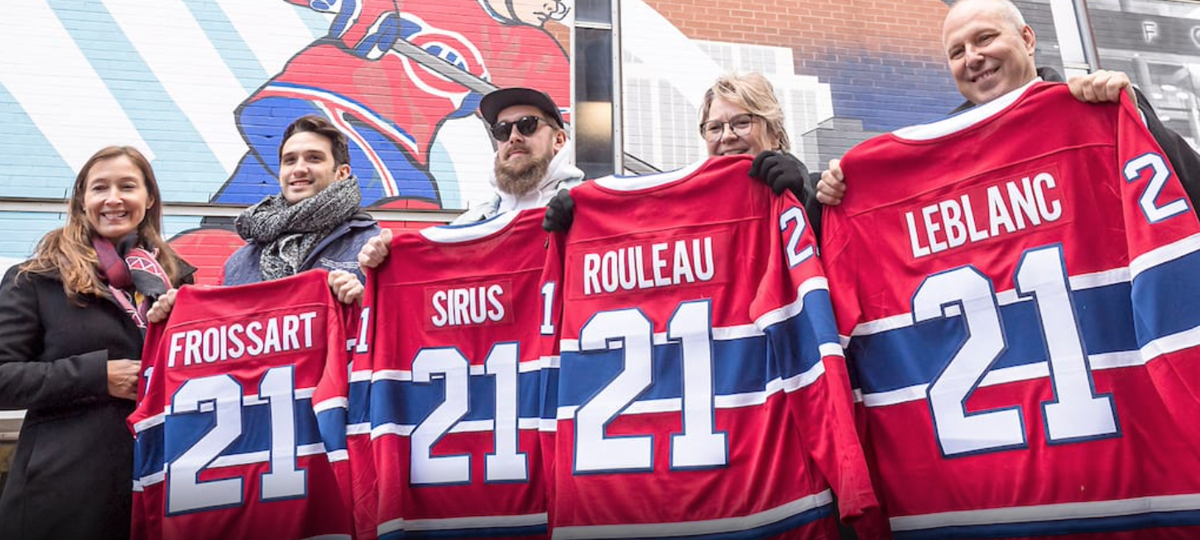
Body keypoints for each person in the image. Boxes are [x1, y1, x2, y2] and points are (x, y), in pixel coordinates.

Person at [815, 0, 1200, 216]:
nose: (973, 58)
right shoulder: (936, 154)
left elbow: (1188, 198)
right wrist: (841, 190)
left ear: (1027, 39)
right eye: (956, 52)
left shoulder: (1095, 107)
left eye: (984, 39)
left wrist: (1137, 123)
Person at [0, 146, 195, 540]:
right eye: (99, 188)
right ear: (82, 201)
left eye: (127, 186)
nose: (113, 199)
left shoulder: (177, 282)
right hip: (63, 495)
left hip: (158, 483)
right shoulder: (33, 279)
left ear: (149, 198)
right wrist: (96, 376)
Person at [149, 115, 379, 322]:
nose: (299, 169)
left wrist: (363, 303)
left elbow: (402, 333)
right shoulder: (239, 263)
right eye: (289, 160)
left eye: (314, 158)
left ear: (342, 173)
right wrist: (181, 314)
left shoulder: (371, 248)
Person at [537, 72, 818, 234]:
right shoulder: (690, 203)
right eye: (715, 127)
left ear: (775, 132)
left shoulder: (822, 194)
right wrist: (581, 224)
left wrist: (804, 199)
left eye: (742, 122)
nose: (728, 136)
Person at [359, 87, 585, 263]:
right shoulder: (464, 226)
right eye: (502, 130)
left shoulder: (587, 210)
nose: (514, 137)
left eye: (527, 125)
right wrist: (386, 264)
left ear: (558, 140)